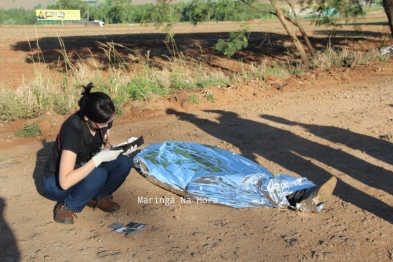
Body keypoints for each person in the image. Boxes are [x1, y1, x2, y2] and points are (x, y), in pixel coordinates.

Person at [43, 82, 137, 224]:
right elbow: (64, 181)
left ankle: (98, 197)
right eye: (102, 124)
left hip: (84, 166)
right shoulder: (72, 131)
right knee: (97, 174)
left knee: (123, 162)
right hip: (56, 183)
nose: (106, 126)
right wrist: (98, 159)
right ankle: (68, 206)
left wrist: (119, 149)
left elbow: (102, 147)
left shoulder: (103, 119)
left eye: (109, 120)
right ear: (87, 118)